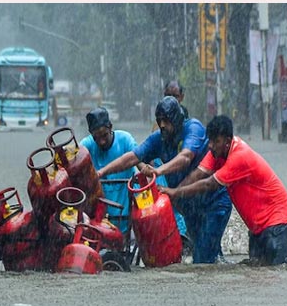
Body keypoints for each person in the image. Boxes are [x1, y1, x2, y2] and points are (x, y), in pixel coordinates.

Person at [96, 96, 232, 263]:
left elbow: (186, 157)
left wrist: (158, 171)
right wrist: (101, 172)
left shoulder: (193, 128)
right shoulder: (159, 139)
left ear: (176, 118)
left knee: (202, 258)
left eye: (166, 120)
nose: (162, 125)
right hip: (189, 207)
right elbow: (131, 157)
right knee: (208, 254)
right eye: (159, 120)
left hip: (214, 202)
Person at [156, 115, 287, 266]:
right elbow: (198, 174)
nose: (210, 146)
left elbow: (209, 184)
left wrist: (175, 193)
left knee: (273, 272)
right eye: (210, 140)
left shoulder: (239, 157)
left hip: (277, 222)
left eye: (216, 141)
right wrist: (174, 192)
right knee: (256, 271)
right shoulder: (217, 153)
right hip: (258, 226)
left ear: (228, 141)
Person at [78, 106, 137, 232]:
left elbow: (140, 160)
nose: (102, 141)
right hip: (99, 221)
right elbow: (74, 158)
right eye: (96, 138)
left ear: (110, 127)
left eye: (104, 135)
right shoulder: (87, 145)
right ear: (91, 134)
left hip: (127, 216)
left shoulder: (125, 140)